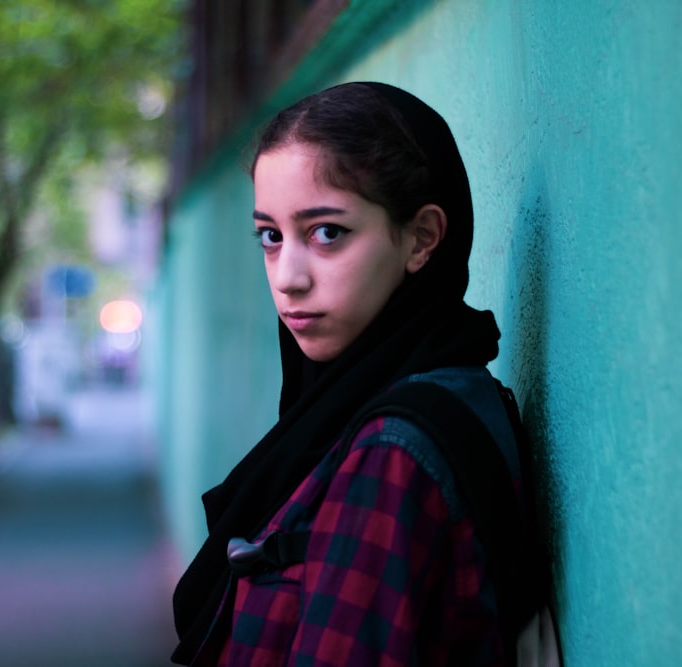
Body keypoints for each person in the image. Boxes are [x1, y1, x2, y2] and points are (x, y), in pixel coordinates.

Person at [171, 82, 540, 666]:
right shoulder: (438, 396)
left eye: (327, 233)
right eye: (271, 235)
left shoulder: (392, 453)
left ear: (422, 239)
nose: (288, 277)